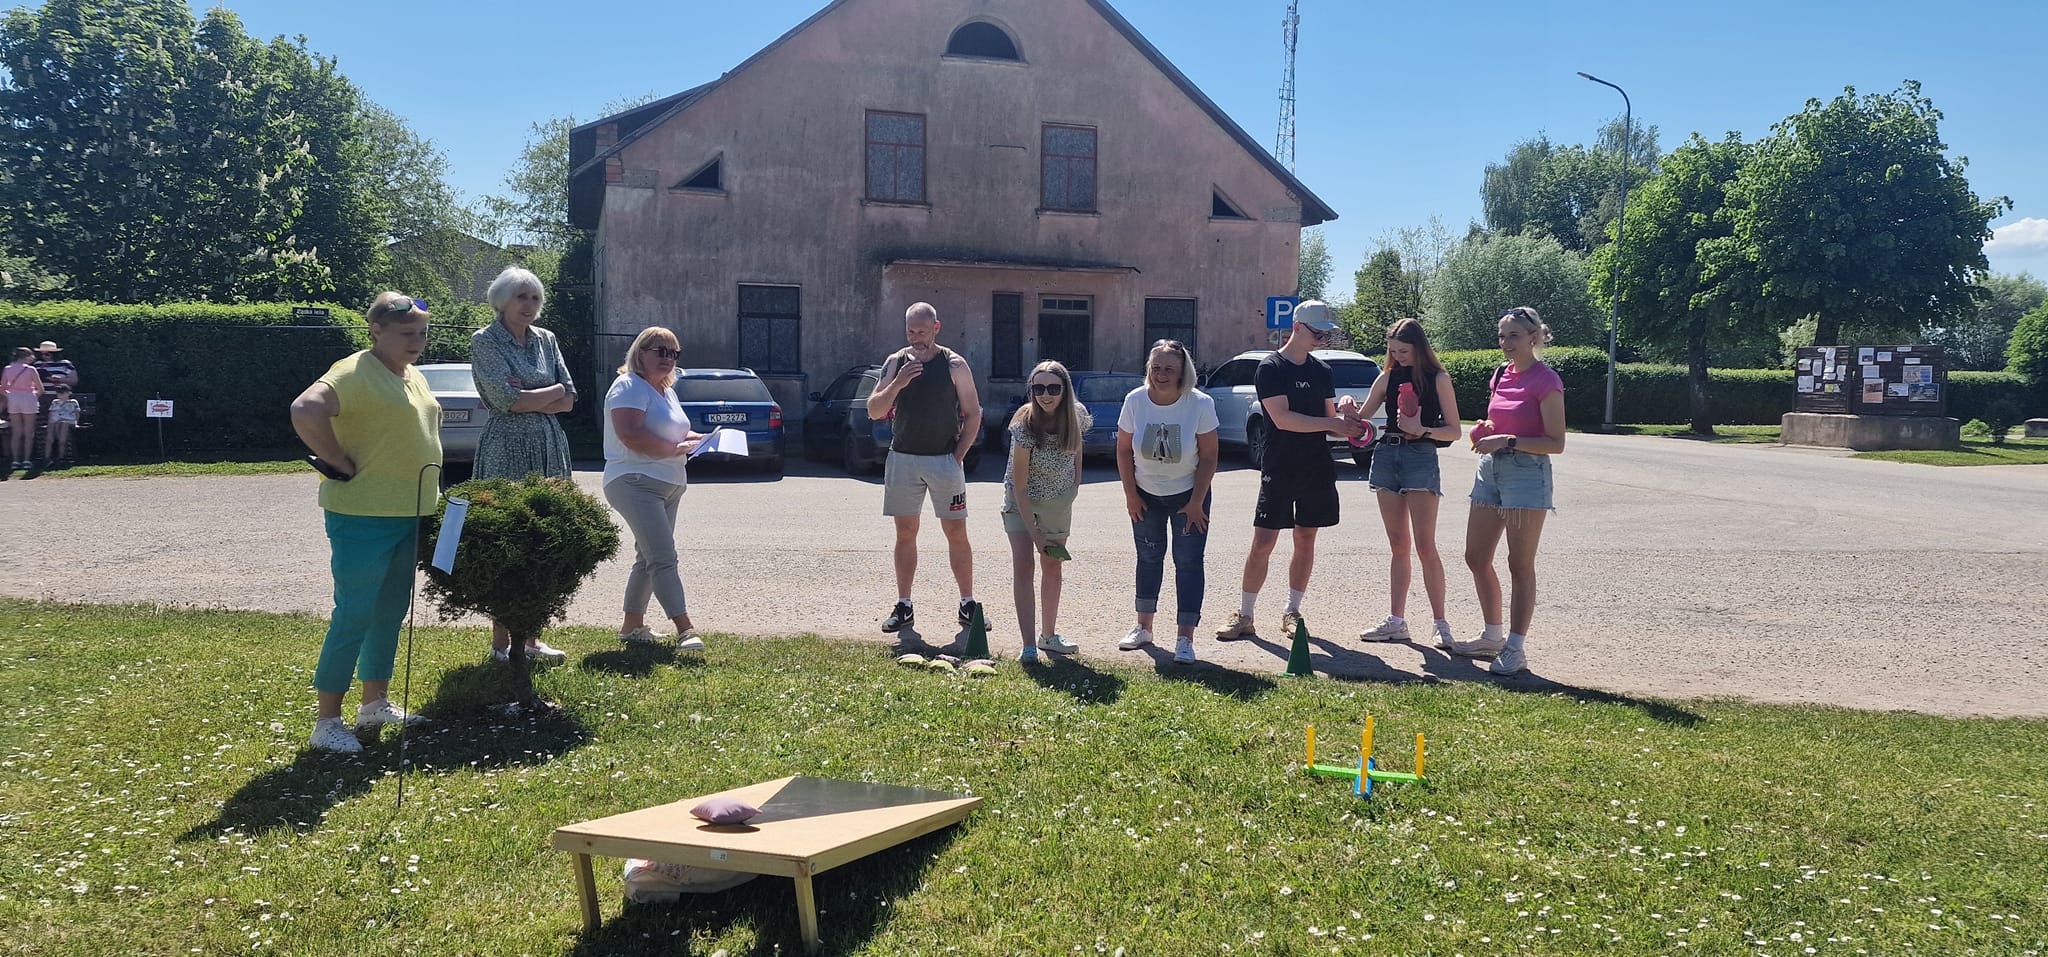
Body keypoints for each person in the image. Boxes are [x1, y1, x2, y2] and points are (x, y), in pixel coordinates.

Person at [288, 293, 440, 753]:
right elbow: (305, 409)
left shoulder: (411, 375)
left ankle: (374, 703)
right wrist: (337, 461)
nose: (417, 341)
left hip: (409, 512)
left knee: (389, 611)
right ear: (376, 330)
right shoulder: (353, 370)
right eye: (406, 333)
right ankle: (327, 722)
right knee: (354, 612)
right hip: (362, 514)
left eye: (422, 333)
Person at [1215, 301, 1365, 642]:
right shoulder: (1271, 368)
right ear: (1296, 327)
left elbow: (1330, 422)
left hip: (1316, 466)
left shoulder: (1322, 371)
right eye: (1318, 333)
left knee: (1306, 538)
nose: (1323, 340)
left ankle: (1292, 612)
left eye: (1326, 334)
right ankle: (1245, 615)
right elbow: (1282, 419)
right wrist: (1332, 423)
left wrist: (1347, 414)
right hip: (1280, 465)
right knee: (1263, 541)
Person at [469, 266, 577, 663]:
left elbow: (570, 399)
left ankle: (532, 638)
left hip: (548, 444)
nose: (528, 305)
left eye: (534, 297)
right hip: (506, 446)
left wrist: (537, 394)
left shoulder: (547, 339)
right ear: (502, 300)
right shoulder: (485, 340)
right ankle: (501, 644)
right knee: (508, 539)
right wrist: (549, 391)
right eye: (520, 296)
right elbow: (506, 401)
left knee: (543, 538)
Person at [1455, 305, 1567, 676]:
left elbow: (1555, 443)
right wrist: (1486, 429)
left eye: (1513, 336)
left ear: (1534, 337)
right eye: (1502, 336)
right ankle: (1492, 637)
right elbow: (1498, 419)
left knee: (1519, 564)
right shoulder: (1501, 374)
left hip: (1527, 474)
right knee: (1476, 556)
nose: (1505, 343)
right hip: (1490, 470)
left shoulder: (1546, 380)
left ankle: (1516, 649)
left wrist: (1508, 439)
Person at [867, 302, 983, 638]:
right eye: (911, 331)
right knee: (905, 533)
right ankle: (904, 605)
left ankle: (967, 603)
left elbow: (973, 413)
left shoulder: (954, 364)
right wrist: (897, 384)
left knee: (956, 533)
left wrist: (957, 457)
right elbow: (874, 410)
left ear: (936, 328)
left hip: (944, 460)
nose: (916, 337)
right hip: (903, 459)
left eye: (922, 331)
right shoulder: (895, 363)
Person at [1352, 318, 1463, 649]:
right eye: (1393, 351)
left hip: (1420, 457)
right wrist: (1347, 410)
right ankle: (1396, 622)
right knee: (1398, 546)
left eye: (1404, 351)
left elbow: (1455, 431)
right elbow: (1360, 418)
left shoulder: (1438, 378)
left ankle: (1440, 624)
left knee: (1425, 546)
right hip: (1387, 455)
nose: (1398, 357)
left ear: (1419, 347)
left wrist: (1422, 430)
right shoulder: (1387, 377)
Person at [602, 327, 709, 653]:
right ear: (640, 352)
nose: (668, 358)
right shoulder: (628, 386)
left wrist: (701, 439)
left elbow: (674, 435)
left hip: (669, 483)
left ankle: (632, 626)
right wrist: (675, 449)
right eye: (660, 351)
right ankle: (685, 629)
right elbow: (630, 435)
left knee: (647, 557)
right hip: (635, 481)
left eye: (674, 353)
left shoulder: (666, 391)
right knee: (663, 557)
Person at [1116, 340, 1219, 664]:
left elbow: (1209, 457)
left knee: (1188, 562)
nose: (1161, 374)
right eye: (1156, 367)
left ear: (1182, 372)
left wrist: (1197, 502)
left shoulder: (1200, 403)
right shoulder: (1135, 400)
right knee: (1148, 558)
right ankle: (1143, 627)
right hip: (1145, 495)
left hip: (1189, 495)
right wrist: (1131, 495)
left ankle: (1185, 638)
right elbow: (1123, 450)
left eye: (1169, 369)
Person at [1003, 360, 1088, 664]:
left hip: (1057, 501)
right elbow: (1021, 486)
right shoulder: (1024, 424)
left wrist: (1074, 486)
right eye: (1038, 388)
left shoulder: (1077, 416)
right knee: (1024, 564)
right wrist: (1035, 533)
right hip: (1021, 500)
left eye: (1053, 388)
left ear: (1065, 389)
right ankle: (1028, 646)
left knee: (1053, 566)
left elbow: (1077, 451)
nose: (1046, 395)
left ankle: (1048, 636)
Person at [3, 346, 42, 470]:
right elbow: (40, 389)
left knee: (16, 432)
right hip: (29, 398)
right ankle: (26, 460)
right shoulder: (31, 369)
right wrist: (33, 396)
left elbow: (3, 388)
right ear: (26, 356)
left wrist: (11, 396)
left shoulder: (7, 369)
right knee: (29, 432)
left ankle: (15, 461)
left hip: (14, 399)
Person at [43, 385, 79, 467]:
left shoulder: (73, 402)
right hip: (55, 421)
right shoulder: (55, 402)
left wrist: (76, 422)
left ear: (68, 393)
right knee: (49, 437)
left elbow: (77, 413)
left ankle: (61, 457)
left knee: (63, 433)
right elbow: (51, 413)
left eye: (62, 393)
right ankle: (47, 458)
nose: (60, 395)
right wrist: (49, 423)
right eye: (58, 393)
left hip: (67, 421)